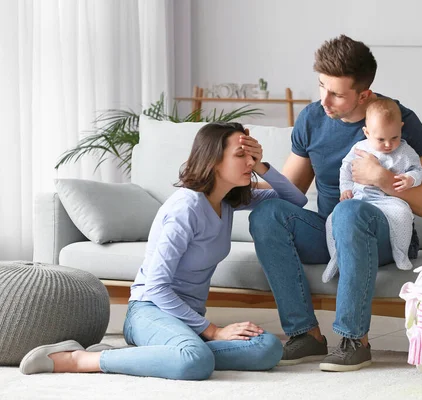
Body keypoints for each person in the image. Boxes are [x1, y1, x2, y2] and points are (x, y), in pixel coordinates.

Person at [19, 122, 308, 380]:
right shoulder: (186, 208)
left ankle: (168, 352)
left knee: (267, 348)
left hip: (187, 318)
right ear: (213, 161)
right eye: (240, 155)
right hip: (150, 311)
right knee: (195, 361)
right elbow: (156, 288)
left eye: (251, 156)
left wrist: (262, 166)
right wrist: (213, 331)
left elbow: (295, 199)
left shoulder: (229, 200)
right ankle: (79, 359)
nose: (248, 162)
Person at [249, 35, 422, 372]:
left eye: (337, 94)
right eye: (321, 87)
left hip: (379, 233)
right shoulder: (312, 118)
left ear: (364, 94)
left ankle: (354, 340)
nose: (324, 101)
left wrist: (385, 180)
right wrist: (249, 171)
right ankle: (306, 335)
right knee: (267, 214)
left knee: (349, 212)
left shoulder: (396, 120)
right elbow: (291, 193)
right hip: (329, 232)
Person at [323, 98, 422, 282]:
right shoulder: (359, 148)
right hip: (360, 200)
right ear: (367, 132)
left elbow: (418, 170)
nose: (388, 144)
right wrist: (345, 189)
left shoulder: (405, 151)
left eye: (394, 137)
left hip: (389, 201)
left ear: (400, 128)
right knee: (333, 219)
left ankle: (400, 254)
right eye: (381, 139)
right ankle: (335, 259)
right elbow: (345, 169)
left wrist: (410, 179)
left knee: (403, 214)